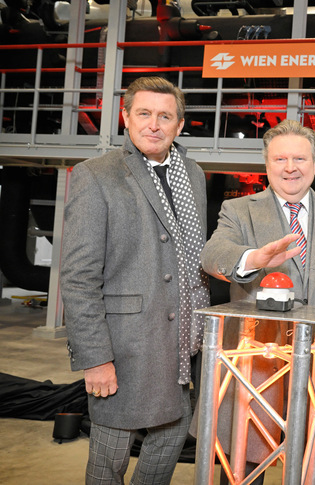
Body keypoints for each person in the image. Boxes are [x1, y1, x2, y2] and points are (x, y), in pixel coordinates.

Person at [197, 119, 315, 475]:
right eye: (280, 160)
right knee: (245, 460)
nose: (290, 168)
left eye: (299, 159)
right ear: (266, 164)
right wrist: (252, 259)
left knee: (309, 458)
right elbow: (213, 254)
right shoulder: (239, 210)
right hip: (256, 363)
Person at [60, 76, 210, 484]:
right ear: (126, 117)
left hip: (182, 344)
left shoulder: (193, 174)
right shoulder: (97, 174)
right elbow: (78, 278)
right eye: (144, 113)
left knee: (171, 441)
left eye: (165, 116)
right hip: (124, 350)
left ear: (180, 125)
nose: (154, 124)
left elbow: (192, 256)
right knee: (109, 459)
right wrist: (95, 358)